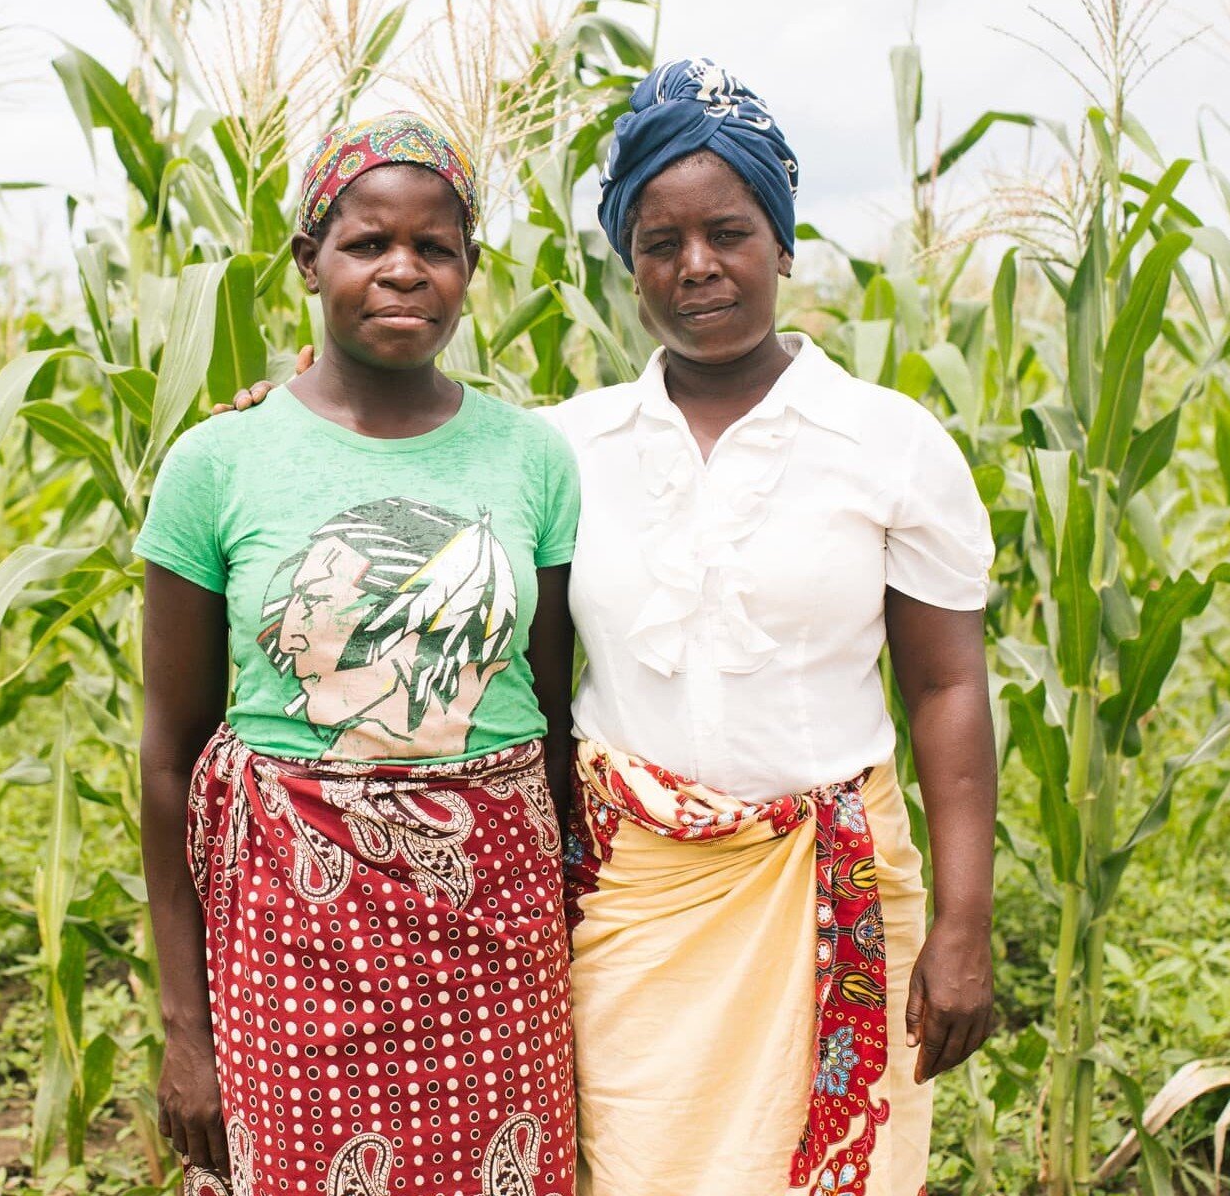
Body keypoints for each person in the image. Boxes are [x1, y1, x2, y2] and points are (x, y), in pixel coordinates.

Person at [221, 59, 999, 1195]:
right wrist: (281, 403)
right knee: (637, 1160)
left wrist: (964, 921)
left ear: (781, 242)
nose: (695, 266)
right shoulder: (560, 448)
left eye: (727, 232)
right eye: (656, 240)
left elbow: (944, 688)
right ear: (625, 261)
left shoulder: (888, 442)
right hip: (632, 896)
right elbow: (396, 431)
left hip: (832, 886)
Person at [135, 112, 583, 1196]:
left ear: (470, 271)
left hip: (495, 933)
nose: (402, 270)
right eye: (367, 243)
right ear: (306, 261)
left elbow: (557, 719)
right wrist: (185, 1030)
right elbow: (167, 754)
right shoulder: (217, 462)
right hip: (291, 939)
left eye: (434, 248)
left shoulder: (532, 456)